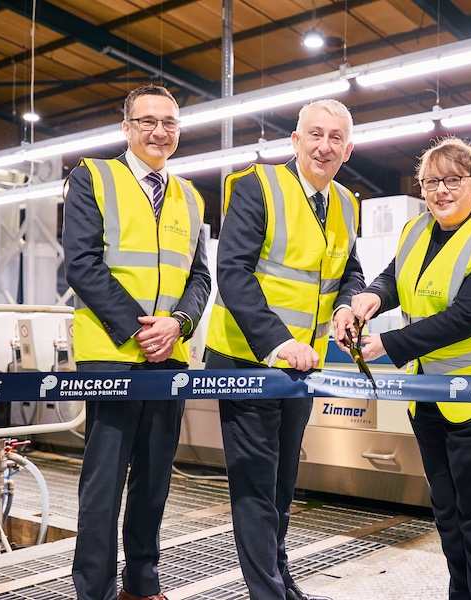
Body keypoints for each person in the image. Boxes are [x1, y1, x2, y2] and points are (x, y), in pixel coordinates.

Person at [350, 137, 471, 600]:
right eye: (431, 181)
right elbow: (394, 276)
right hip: (429, 396)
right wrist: (372, 296)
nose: (441, 190)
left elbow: (467, 316)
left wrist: (387, 344)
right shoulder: (416, 231)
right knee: (448, 513)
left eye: (453, 180)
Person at [204, 98, 363, 600]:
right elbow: (233, 273)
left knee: (282, 481)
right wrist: (279, 341)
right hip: (246, 358)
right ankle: (266, 592)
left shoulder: (346, 202)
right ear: (295, 141)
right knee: (255, 484)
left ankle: (278, 576)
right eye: (314, 134)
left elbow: (348, 270)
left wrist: (347, 306)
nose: (324, 145)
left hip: (302, 369)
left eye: (335, 138)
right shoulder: (256, 186)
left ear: (348, 149)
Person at [63, 83, 211, 600]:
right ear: (126, 128)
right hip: (111, 355)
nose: (158, 131)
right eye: (147, 121)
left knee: (153, 480)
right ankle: (96, 591)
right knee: (103, 486)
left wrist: (179, 324)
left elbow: (200, 279)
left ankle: (141, 584)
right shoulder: (93, 178)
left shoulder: (190, 196)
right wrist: (137, 326)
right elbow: (81, 263)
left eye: (168, 122)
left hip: (168, 357)